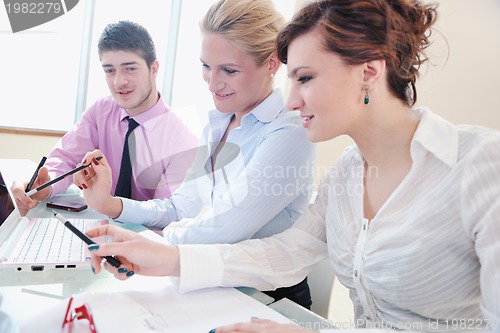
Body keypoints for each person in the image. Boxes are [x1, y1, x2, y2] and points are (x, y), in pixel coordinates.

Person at [85, 0, 500, 331]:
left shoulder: (480, 165)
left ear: (369, 73)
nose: (290, 100)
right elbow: (285, 253)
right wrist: (166, 258)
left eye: (304, 79)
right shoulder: (345, 175)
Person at [75, 0, 315, 309]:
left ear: (270, 64)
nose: (213, 84)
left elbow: (226, 227)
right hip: (212, 284)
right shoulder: (218, 124)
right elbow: (180, 207)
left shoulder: (290, 131)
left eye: (228, 70)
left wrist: (151, 245)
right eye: (206, 66)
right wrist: (112, 205)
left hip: (266, 300)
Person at [10, 20, 198, 215]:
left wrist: (109, 205)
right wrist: (45, 185)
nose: (119, 82)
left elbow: (166, 213)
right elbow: (65, 159)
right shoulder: (101, 111)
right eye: (109, 70)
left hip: (145, 239)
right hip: (97, 225)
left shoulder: (182, 141)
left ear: (154, 68)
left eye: (130, 68)